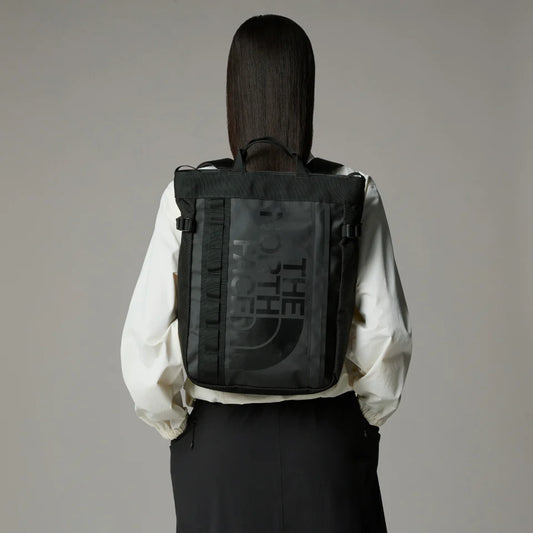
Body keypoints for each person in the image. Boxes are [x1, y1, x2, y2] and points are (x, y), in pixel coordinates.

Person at [120, 13, 412, 533]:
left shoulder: (191, 193)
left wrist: (177, 425)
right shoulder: (351, 191)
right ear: (305, 93)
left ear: (234, 94)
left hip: (218, 450)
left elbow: (146, 345)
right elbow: (385, 336)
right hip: (326, 443)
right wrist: (360, 421)